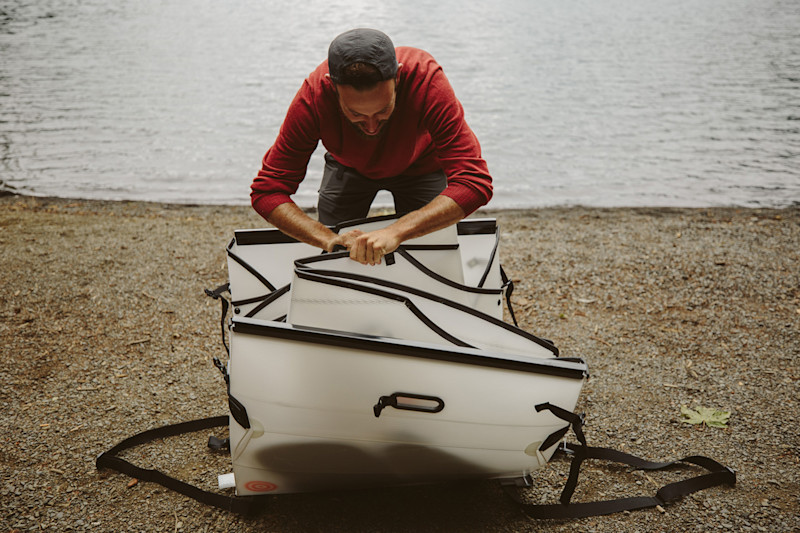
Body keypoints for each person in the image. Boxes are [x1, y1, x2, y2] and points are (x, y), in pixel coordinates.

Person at [251, 28, 493, 265]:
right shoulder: (314, 96)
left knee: (429, 252)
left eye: (383, 110)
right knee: (336, 257)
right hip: (347, 166)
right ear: (332, 86)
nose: (371, 127)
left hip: (421, 166)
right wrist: (328, 239)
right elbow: (267, 191)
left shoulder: (426, 80)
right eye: (355, 114)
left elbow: (474, 182)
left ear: (398, 77)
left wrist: (396, 232)